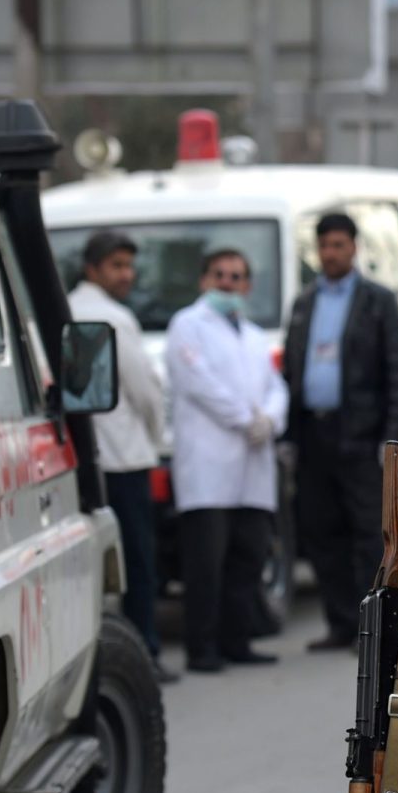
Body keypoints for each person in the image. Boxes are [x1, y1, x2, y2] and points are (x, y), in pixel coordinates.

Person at [281, 212, 398, 651]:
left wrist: (391, 439)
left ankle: (369, 629)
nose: (331, 253)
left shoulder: (377, 301)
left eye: (339, 245)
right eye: (324, 246)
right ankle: (339, 624)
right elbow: (292, 370)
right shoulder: (304, 302)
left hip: (360, 433)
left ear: (354, 248)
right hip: (314, 434)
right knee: (321, 531)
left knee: (365, 533)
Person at [165, 249, 289, 673]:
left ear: (247, 285)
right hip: (208, 465)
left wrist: (269, 419)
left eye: (236, 276)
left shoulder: (254, 336)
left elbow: (278, 388)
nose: (228, 282)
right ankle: (202, 648)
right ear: (204, 280)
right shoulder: (187, 326)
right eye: (219, 274)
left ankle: (238, 642)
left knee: (247, 557)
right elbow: (198, 383)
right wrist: (245, 419)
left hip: (252, 462)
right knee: (206, 563)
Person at [67, 230, 177, 683]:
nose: (126, 275)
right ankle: (144, 655)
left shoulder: (63, 309)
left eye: (129, 266)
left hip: (79, 463)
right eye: (116, 265)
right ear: (93, 269)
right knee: (137, 565)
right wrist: (153, 439)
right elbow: (145, 391)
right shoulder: (113, 318)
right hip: (125, 460)